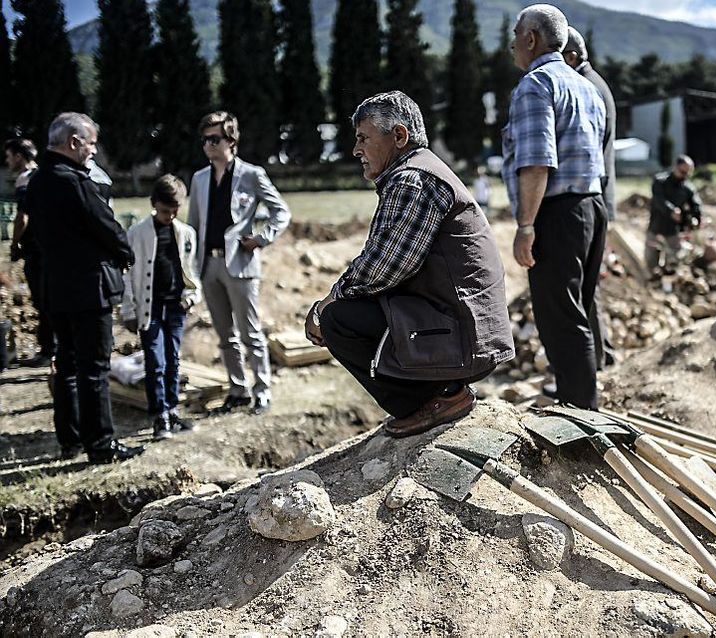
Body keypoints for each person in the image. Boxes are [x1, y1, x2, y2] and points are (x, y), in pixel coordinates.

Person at [304, 91, 514, 437]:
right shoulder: (415, 172)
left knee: (336, 319)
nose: (356, 150)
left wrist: (328, 301)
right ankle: (438, 392)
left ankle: (437, 399)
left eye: (363, 138)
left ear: (399, 136)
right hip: (463, 330)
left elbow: (384, 266)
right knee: (352, 305)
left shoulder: (413, 178)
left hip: (464, 337)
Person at [502, 4, 607, 409]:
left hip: (558, 213)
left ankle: (581, 417)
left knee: (561, 322)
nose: (512, 44)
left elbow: (536, 162)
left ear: (531, 39)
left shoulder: (535, 84)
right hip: (591, 209)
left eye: (516, 35)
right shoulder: (587, 89)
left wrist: (526, 225)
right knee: (576, 314)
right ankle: (583, 405)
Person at [26, 113, 144, 463]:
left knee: (65, 363)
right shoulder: (75, 182)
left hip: (55, 288)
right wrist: (125, 253)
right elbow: (107, 227)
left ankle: (70, 439)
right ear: (74, 143)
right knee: (94, 368)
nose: (93, 151)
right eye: (91, 144)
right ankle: (102, 445)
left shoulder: (37, 181)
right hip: (89, 288)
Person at [188, 112, 290, 416]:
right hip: (209, 266)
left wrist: (261, 238)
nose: (208, 145)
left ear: (231, 140)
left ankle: (262, 391)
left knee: (251, 333)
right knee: (225, 336)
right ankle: (237, 389)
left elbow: (281, 212)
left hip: (242, 265)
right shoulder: (199, 178)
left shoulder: (251, 174)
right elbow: (194, 226)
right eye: (205, 139)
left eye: (215, 139)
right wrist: (193, 269)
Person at [122, 175, 202, 440]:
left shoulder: (185, 233)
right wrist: (129, 311)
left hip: (175, 307)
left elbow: (191, 271)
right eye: (166, 210)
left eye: (175, 211)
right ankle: (159, 415)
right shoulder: (137, 234)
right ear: (154, 204)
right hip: (150, 309)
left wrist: (191, 296)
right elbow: (129, 274)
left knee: (173, 361)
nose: (170, 216)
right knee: (155, 361)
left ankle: (172, 409)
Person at [563, 25, 617, 369]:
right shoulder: (597, 85)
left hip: (588, 197)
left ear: (570, 57)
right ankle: (601, 354)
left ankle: (594, 361)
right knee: (588, 286)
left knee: (583, 287)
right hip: (599, 196)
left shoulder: (588, 88)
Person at [6, 138, 52, 367]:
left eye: (9, 156)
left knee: (42, 300)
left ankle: (47, 350)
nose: (7, 161)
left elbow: (22, 217)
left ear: (19, 157)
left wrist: (14, 245)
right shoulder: (45, 175)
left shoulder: (25, 180)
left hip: (35, 249)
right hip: (51, 247)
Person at [646, 154, 701, 273]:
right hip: (656, 227)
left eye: (687, 173)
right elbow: (658, 200)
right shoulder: (660, 181)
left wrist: (696, 218)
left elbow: (696, 206)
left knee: (675, 260)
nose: (684, 176)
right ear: (675, 167)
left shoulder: (687, 188)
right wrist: (671, 210)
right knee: (651, 261)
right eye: (682, 172)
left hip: (673, 231)